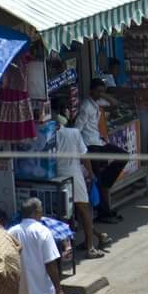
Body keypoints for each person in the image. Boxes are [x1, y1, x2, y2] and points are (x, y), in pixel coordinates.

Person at [51, 109, 102, 258]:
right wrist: (91, 175)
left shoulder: (48, 136)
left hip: (56, 176)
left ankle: (74, 246)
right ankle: (90, 246)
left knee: (63, 213)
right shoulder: (73, 133)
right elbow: (84, 157)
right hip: (74, 174)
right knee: (84, 210)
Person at [78, 79, 124, 224]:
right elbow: (78, 128)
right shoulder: (86, 106)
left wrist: (103, 94)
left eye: (102, 91)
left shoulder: (96, 103)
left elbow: (115, 103)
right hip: (91, 146)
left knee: (122, 156)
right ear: (91, 90)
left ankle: (106, 182)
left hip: (99, 142)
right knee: (97, 179)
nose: (100, 94)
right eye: (97, 91)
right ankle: (103, 212)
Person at [9, 197, 65, 294]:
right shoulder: (43, 231)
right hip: (43, 291)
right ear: (37, 212)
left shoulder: (11, 232)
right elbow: (50, 263)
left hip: (19, 293)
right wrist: (58, 289)